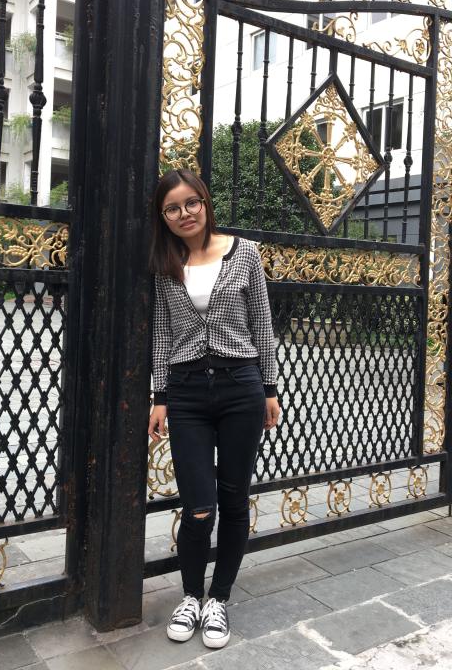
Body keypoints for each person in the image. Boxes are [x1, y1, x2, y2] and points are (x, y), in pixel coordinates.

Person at [148, 168, 280, 650]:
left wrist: (269, 388)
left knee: (234, 498)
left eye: (191, 203)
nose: (184, 213)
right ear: (163, 217)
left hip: (241, 387)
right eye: (172, 208)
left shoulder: (244, 253)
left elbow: (262, 324)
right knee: (198, 504)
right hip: (186, 394)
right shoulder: (164, 261)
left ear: (205, 202)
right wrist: (160, 397)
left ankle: (218, 598)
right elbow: (162, 333)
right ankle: (190, 595)